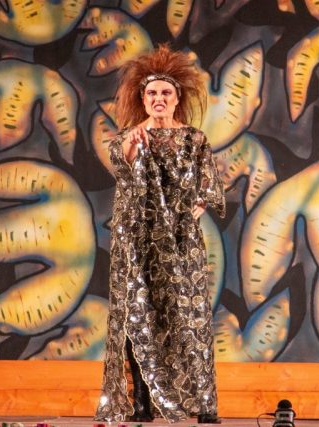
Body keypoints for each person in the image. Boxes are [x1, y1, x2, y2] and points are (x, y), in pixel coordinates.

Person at [94, 44, 225, 424]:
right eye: (152, 93)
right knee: (138, 313)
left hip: (180, 240)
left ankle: (203, 403)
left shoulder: (194, 139)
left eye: (166, 92)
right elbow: (122, 174)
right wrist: (134, 153)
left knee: (189, 314)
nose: (159, 99)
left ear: (177, 98)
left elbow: (210, 183)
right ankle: (142, 402)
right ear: (143, 98)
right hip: (137, 240)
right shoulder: (127, 139)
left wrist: (201, 203)